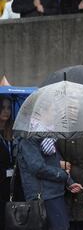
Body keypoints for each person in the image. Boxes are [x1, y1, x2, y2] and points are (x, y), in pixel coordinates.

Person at [18, 135, 83, 230]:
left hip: (55, 195)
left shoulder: (48, 139)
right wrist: (64, 175)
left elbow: (57, 163)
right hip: (43, 197)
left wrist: (69, 182)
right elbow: (38, 168)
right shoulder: (28, 139)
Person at [0, 97, 22, 229]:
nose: (6, 111)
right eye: (2, 107)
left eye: (8, 107)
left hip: (14, 182)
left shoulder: (14, 131)